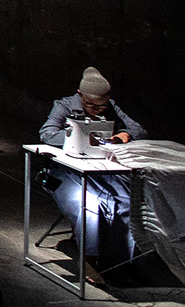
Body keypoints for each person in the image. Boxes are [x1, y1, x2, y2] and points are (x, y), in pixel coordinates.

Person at [38, 67, 146, 283]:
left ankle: (122, 261)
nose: (97, 110)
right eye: (91, 105)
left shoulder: (112, 108)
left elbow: (139, 130)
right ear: (80, 95)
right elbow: (46, 133)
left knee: (126, 202)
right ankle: (88, 259)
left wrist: (123, 135)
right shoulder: (64, 105)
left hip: (100, 170)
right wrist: (78, 136)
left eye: (101, 106)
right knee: (89, 204)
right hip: (62, 171)